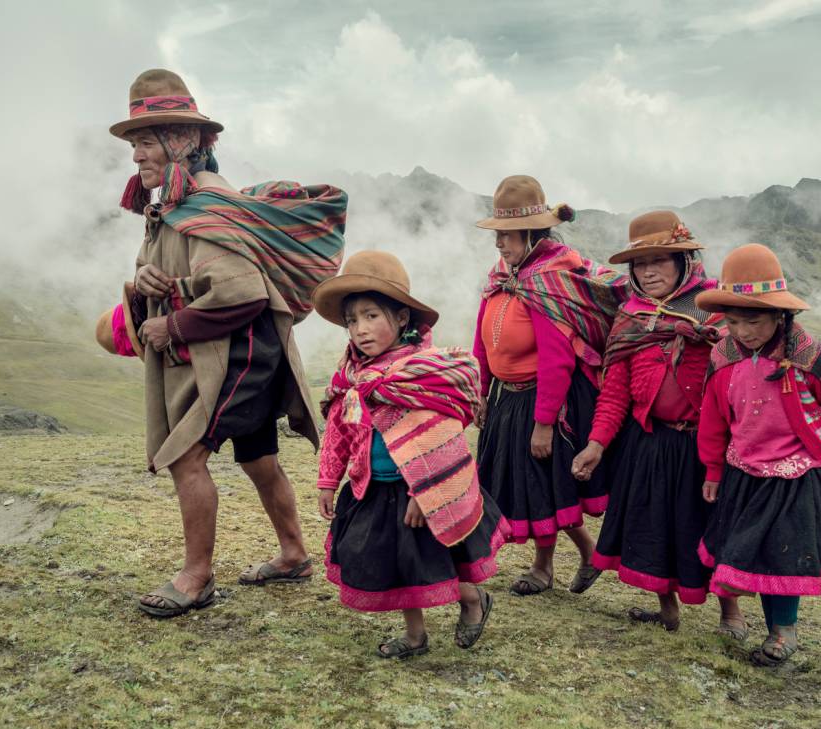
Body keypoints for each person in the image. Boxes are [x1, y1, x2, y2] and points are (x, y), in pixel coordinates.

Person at [110, 69, 347, 617]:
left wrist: (171, 325)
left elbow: (241, 296)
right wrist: (147, 284)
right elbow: (183, 275)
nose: (137, 155)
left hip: (240, 352)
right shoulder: (173, 205)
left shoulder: (205, 204)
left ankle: (197, 578)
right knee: (259, 457)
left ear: (183, 141)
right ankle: (293, 554)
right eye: (136, 143)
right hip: (240, 350)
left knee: (186, 455)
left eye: (145, 142)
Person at [314, 251, 510, 658]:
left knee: (433, 563)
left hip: (418, 490)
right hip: (371, 489)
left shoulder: (422, 372)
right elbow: (339, 430)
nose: (360, 329)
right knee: (395, 567)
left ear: (402, 318)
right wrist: (328, 480)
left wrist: (428, 492)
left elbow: (443, 438)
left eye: (372, 316)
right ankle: (415, 636)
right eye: (352, 320)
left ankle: (472, 599)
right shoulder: (351, 377)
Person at [694, 243, 821, 665]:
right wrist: (714, 471)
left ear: (780, 315)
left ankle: (783, 633)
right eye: (734, 321)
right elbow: (715, 420)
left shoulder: (807, 357)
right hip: (744, 471)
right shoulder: (723, 358)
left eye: (753, 320)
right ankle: (769, 625)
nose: (743, 332)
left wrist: (819, 448)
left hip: (799, 475)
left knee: (784, 556)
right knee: (752, 554)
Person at [571, 211, 746, 638]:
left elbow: (741, 384)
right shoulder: (630, 318)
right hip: (648, 444)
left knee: (713, 527)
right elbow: (615, 394)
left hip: (706, 447)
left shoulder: (717, 312)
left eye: (659, 261)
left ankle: (731, 613)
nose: (648, 272)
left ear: (684, 262)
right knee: (653, 527)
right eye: (640, 264)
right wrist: (596, 444)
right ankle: (666, 610)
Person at [473, 175, 626, 596]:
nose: (499, 244)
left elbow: (558, 359)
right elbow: (481, 337)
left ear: (532, 233)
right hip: (508, 399)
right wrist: (481, 392)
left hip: (548, 402)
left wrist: (543, 423)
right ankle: (587, 554)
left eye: (506, 236)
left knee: (543, 485)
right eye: (497, 236)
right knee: (531, 484)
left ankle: (543, 568)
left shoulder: (547, 280)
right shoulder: (503, 275)